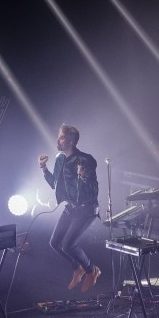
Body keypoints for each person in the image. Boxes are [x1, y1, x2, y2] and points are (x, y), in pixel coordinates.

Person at [38, 124, 101, 293]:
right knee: (54, 243)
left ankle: (91, 270)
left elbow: (92, 191)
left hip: (86, 209)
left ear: (71, 141)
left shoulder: (86, 160)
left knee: (68, 246)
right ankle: (78, 268)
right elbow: (54, 184)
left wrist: (82, 176)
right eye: (59, 136)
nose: (58, 140)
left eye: (62, 137)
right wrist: (43, 168)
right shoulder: (60, 158)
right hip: (71, 208)